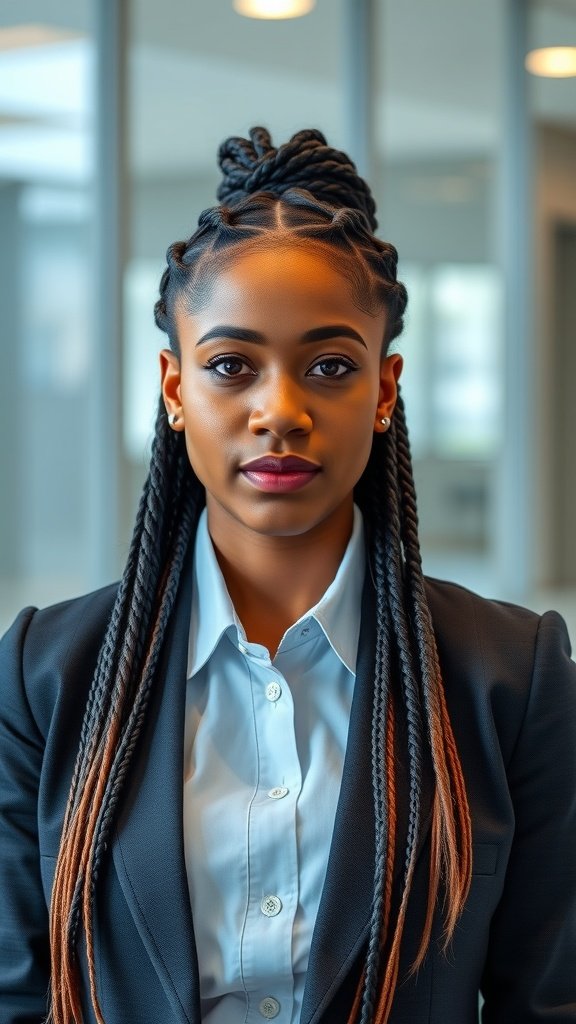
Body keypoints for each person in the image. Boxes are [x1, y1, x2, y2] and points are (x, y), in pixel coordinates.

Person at [0, 127, 575, 1024]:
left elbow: (549, 1001)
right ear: (174, 387)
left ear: (385, 391)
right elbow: (18, 994)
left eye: (330, 366)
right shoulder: (45, 675)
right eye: (231, 366)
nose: (281, 410)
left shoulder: (514, 678)